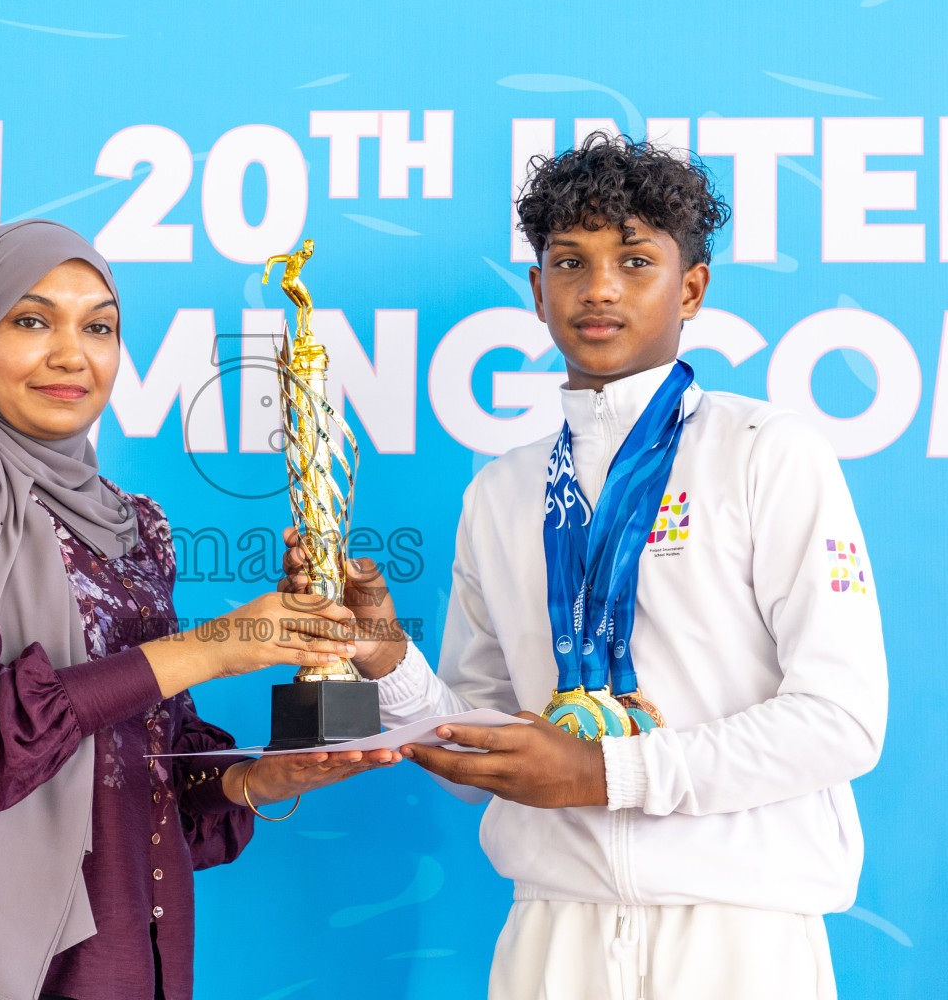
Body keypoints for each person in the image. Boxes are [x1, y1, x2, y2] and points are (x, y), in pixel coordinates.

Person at [283, 134, 887, 998]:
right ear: (537, 291)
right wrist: (383, 657)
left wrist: (609, 773)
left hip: (741, 934)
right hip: (552, 934)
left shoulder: (768, 453)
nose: (599, 288)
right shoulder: (502, 491)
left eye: (634, 260)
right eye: (571, 261)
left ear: (691, 288)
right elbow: (481, 738)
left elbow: (840, 720)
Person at [0, 219, 397, 1000]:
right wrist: (214, 647)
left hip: (119, 956)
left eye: (99, 327)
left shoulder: (134, 528)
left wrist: (260, 779)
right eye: (32, 321)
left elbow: (147, 770)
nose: (73, 354)